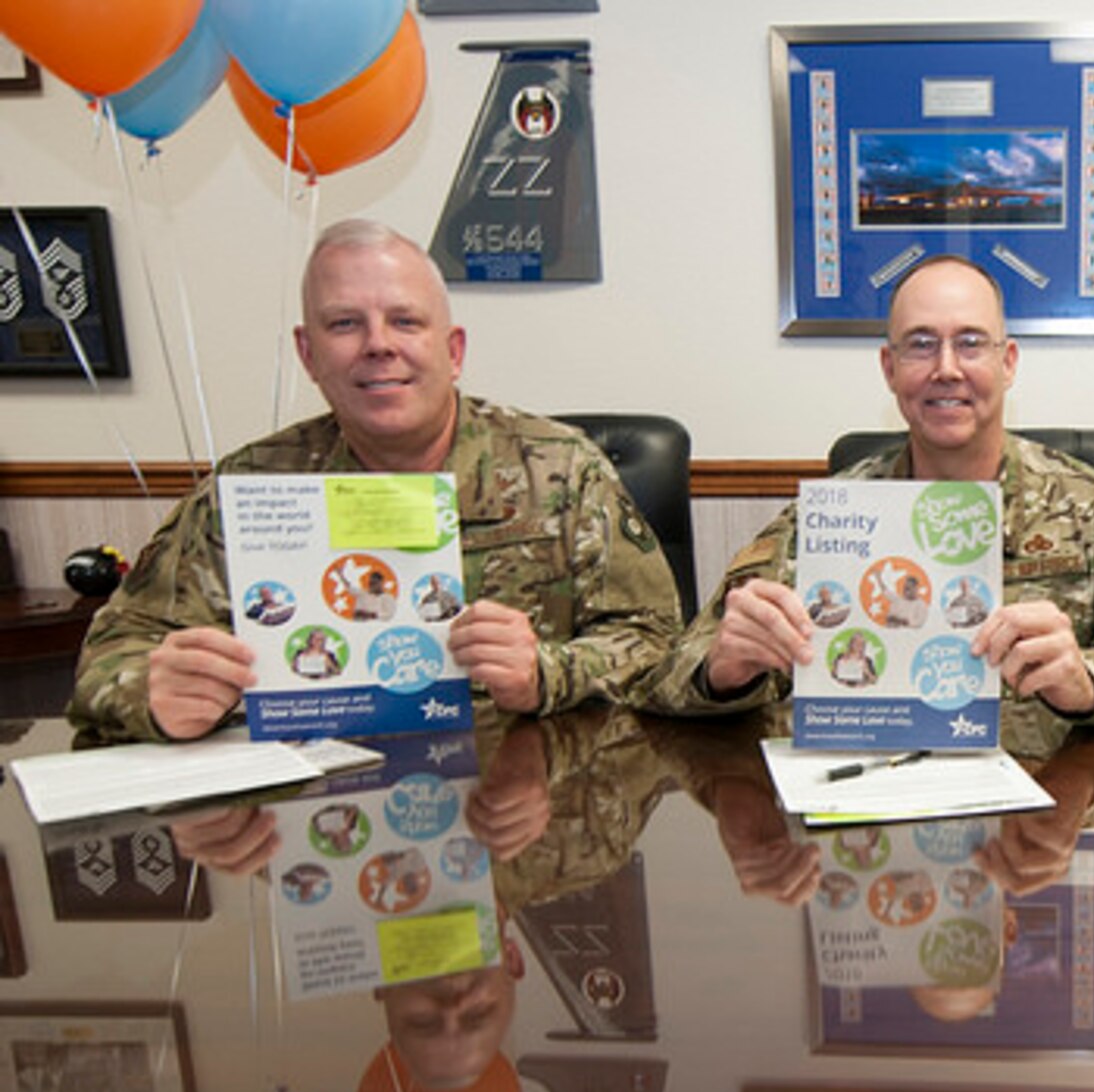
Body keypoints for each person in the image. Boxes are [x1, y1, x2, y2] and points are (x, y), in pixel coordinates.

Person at [68, 218, 682, 743]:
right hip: (310, 809)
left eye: (405, 321)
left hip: (520, 807)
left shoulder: (560, 470)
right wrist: (151, 693)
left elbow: (655, 641)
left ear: (454, 350)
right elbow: (113, 649)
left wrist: (548, 673)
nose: (378, 345)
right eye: (344, 324)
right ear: (308, 355)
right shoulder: (249, 490)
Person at [651, 254, 1094, 739]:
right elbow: (663, 672)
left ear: (1008, 362)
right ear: (889, 368)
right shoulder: (828, 520)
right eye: (921, 345)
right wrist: (723, 673)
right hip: (867, 807)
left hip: (1044, 806)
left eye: (970, 343)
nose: (947, 369)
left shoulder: (1091, 508)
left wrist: (1091, 682)